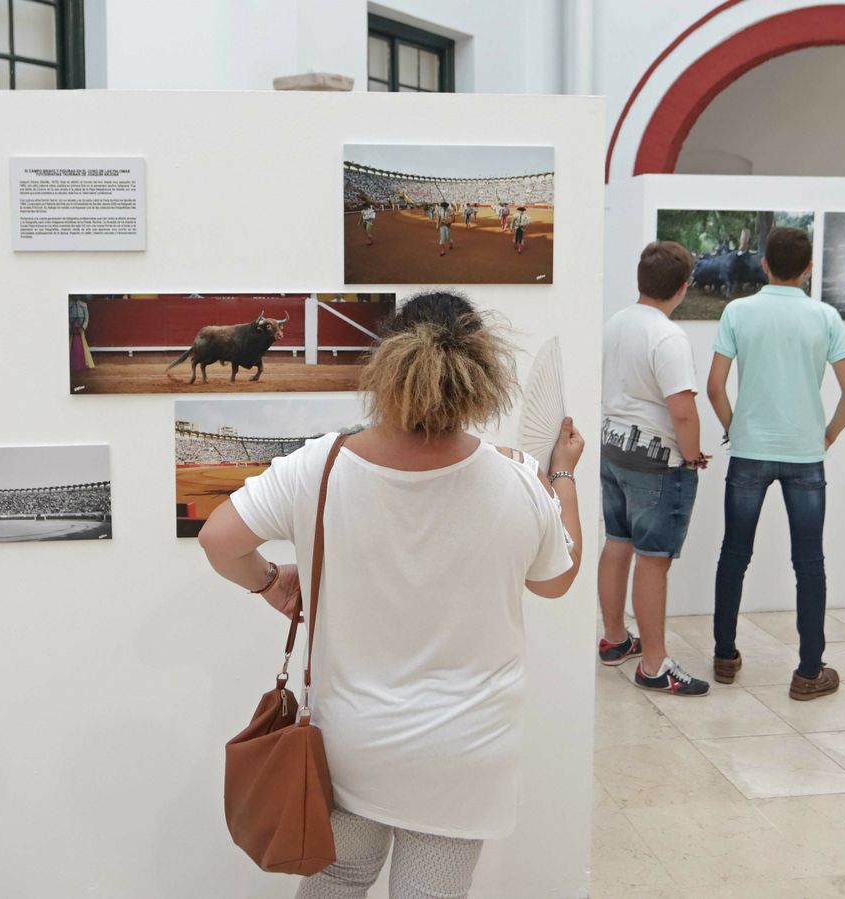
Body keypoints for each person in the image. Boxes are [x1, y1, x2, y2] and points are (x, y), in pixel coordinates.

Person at [198, 291, 584, 898]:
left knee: (339, 883)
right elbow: (556, 579)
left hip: (353, 745)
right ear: (481, 369)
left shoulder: (320, 466)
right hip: (467, 748)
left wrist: (272, 582)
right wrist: (561, 475)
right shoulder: (516, 478)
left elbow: (220, 540)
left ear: (387, 362)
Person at [706, 227, 845, 701]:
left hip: (751, 451)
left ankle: (725, 656)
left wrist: (736, 428)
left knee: (734, 554)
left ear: (763, 264)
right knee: (809, 561)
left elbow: (715, 387)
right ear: (809, 267)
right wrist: (827, 435)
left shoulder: (738, 311)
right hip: (804, 455)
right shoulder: (826, 316)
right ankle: (809, 671)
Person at [597, 241, 710, 694]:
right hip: (657, 461)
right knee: (653, 560)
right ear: (684, 288)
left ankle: (614, 640)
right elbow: (682, 410)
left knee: (617, 544)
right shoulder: (668, 337)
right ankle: (655, 666)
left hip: (614, 449)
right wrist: (693, 455)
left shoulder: (616, 323)